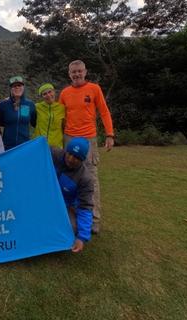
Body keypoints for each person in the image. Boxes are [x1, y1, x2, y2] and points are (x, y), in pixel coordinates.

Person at [59, 60, 115, 234]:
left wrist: (109, 134)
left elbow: (104, 111)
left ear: (85, 72)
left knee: (91, 178)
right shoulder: (65, 93)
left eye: (79, 71)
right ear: (69, 74)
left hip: (88, 139)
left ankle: (94, 220)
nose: (77, 74)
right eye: (73, 72)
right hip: (69, 138)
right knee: (69, 178)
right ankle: (72, 216)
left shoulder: (94, 89)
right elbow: (61, 118)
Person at [51, 137, 94, 253]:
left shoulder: (86, 179)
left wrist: (82, 237)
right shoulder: (53, 154)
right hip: (44, 199)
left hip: (65, 207)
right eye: (69, 153)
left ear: (83, 160)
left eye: (76, 157)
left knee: (71, 228)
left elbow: (85, 207)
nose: (70, 159)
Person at [0, 76, 36, 149]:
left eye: (19, 85)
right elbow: (0, 122)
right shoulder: (3, 105)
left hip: (24, 145)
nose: (17, 88)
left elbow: (34, 123)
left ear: (23, 88)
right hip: (7, 146)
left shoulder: (30, 104)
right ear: (11, 89)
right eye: (14, 86)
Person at [32, 83, 65, 148]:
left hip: (56, 146)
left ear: (54, 92)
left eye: (50, 92)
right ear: (41, 97)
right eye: (44, 94)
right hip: (39, 145)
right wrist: (10, 100)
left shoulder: (62, 108)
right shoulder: (37, 107)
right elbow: (23, 108)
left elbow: (65, 126)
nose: (48, 95)